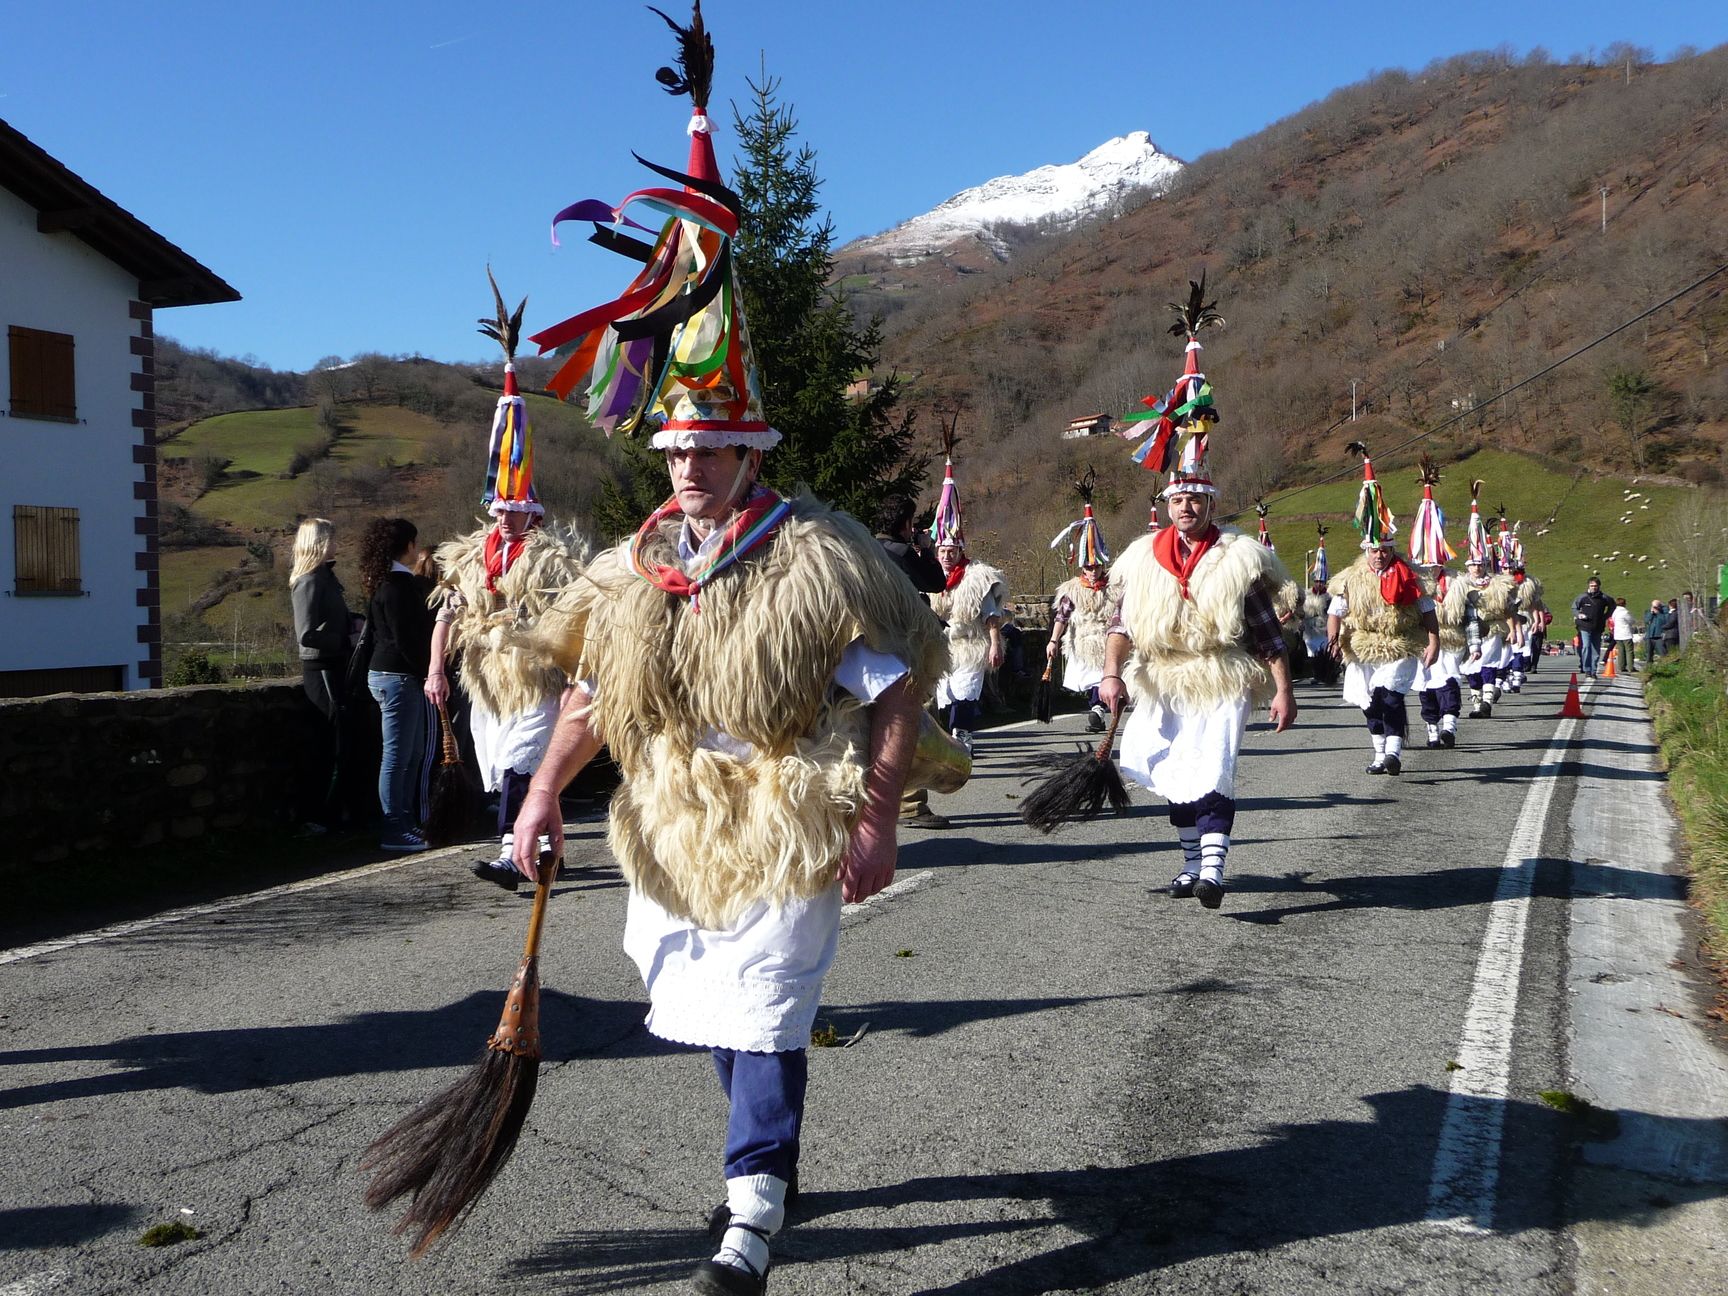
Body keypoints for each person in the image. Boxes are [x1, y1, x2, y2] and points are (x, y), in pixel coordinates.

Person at [509, 26, 952, 1291]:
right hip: (671, 818)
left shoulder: (815, 557)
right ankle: (764, 1167)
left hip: (785, 802)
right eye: (674, 453)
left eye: (710, 451)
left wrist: (877, 822)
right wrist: (543, 794)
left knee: (764, 1006)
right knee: (705, 1002)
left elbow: (892, 683)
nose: (689, 468)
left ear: (750, 452)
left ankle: (751, 1205)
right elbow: (598, 695)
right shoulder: (637, 563)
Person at [1104, 294, 1296, 910]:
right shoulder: (1140, 559)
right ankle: (1192, 864)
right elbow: (1120, 623)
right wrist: (1111, 673)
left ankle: (1213, 868)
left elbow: (1266, 630)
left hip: (1219, 677)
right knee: (1171, 774)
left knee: (1212, 769)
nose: (1186, 507)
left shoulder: (1238, 558)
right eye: (1177, 500)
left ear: (1210, 504)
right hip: (1161, 679)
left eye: (1196, 500)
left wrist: (1284, 688)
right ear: (1165, 505)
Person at [424, 291, 593, 887]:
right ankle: (550, 850)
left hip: (536, 674)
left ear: (532, 512)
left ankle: (507, 852)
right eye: (498, 510)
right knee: (501, 763)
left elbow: (575, 617)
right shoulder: (474, 555)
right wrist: (436, 670)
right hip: (490, 679)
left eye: (514, 510)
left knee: (525, 763)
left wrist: (571, 663)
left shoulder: (550, 559)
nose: (504, 519)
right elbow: (449, 609)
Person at [1326, 450, 1439, 774]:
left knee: (1389, 697)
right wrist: (1334, 639)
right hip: (1363, 647)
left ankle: (1393, 753)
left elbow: (1426, 608)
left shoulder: (1408, 576)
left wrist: (1434, 641)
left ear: (1391, 549)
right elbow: (1336, 611)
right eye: (1374, 550)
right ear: (1367, 550)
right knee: (1370, 705)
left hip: (1398, 644)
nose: (1379, 555)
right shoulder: (1352, 578)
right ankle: (1379, 753)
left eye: (1384, 550)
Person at [874, 494, 952, 830]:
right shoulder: (901, 551)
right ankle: (910, 804)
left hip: (874, 645)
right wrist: (927, 549)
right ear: (905, 523)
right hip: (906, 643)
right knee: (915, 719)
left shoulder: (864, 547)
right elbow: (937, 582)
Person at [360, 516, 436, 852]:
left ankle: (404, 822)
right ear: (407, 546)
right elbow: (408, 639)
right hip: (398, 677)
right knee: (397, 755)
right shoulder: (398, 588)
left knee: (411, 752)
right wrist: (429, 670)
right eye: (414, 543)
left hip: (391, 675)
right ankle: (394, 827)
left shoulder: (384, 583)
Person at [926, 449, 1006, 757]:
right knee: (945, 695)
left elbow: (991, 614)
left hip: (971, 644)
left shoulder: (976, 577)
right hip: (942, 647)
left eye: (952, 551)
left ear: (960, 551)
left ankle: (963, 737)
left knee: (966, 693)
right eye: (942, 551)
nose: (947, 556)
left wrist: (996, 643)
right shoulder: (930, 577)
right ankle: (952, 739)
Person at [289, 517, 355, 830]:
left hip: (334, 665)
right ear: (318, 542)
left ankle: (332, 811)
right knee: (329, 743)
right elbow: (306, 634)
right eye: (331, 537)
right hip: (322, 669)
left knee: (338, 742)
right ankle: (317, 814)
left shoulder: (325, 578)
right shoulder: (310, 581)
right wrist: (344, 638)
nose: (337, 543)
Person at [1046, 472, 1115, 731]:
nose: (1092, 571)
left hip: (1106, 640)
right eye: (1088, 567)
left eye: (1096, 566)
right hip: (1082, 641)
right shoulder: (1072, 590)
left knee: (1102, 676)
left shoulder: (1114, 588)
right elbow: (1062, 616)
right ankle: (1096, 708)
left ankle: (1099, 708)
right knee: (1088, 678)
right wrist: (1053, 640)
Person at [1572, 576, 1614, 677]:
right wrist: (1579, 615)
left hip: (1598, 627)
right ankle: (1586, 669)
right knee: (1586, 647)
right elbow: (1574, 608)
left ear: (1599, 586)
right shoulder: (1582, 597)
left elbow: (1612, 606)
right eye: (1591, 586)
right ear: (1588, 586)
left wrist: (1605, 616)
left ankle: (1593, 670)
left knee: (1596, 649)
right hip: (1584, 626)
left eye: (1595, 586)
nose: (1593, 588)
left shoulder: (1605, 598)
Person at [1610, 596, 1635, 675]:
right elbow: (1631, 621)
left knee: (1621, 651)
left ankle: (1621, 666)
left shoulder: (1614, 612)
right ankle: (1630, 667)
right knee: (1629, 651)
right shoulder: (1625, 612)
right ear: (1624, 604)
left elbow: (1613, 620)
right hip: (1626, 633)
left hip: (1617, 634)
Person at [1645, 599, 1672, 666]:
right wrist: (1651, 613)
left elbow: (1665, 621)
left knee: (1662, 652)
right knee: (1649, 653)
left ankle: (1665, 666)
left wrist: (1658, 613)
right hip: (1650, 635)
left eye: (1656, 606)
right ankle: (1649, 667)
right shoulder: (1649, 611)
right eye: (1653, 606)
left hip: (1659, 635)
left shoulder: (1664, 612)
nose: (1654, 608)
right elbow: (1647, 620)